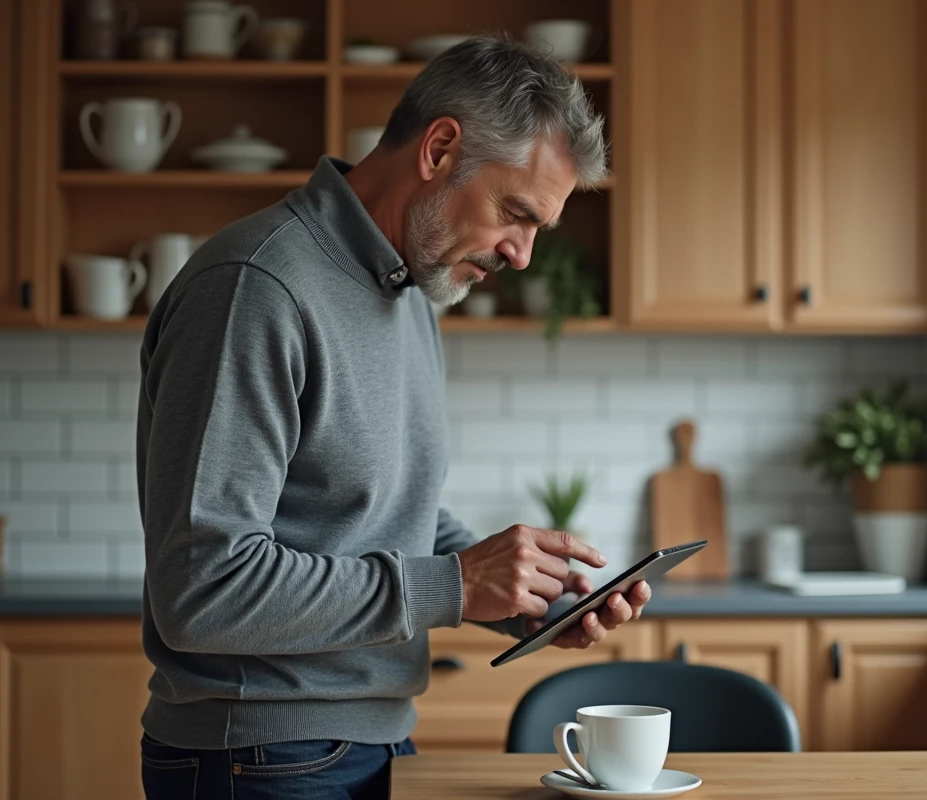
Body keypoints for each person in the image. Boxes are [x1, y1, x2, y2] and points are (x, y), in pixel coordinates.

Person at [135, 35, 652, 800]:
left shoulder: (410, 291)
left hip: (370, 740)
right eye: (516, 214)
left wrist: (530, 601)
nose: (523, 256)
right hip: (259, 756)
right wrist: (453, 585)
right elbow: (203, 589)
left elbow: (383, 514)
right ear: (440, 148)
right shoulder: (257, 288)